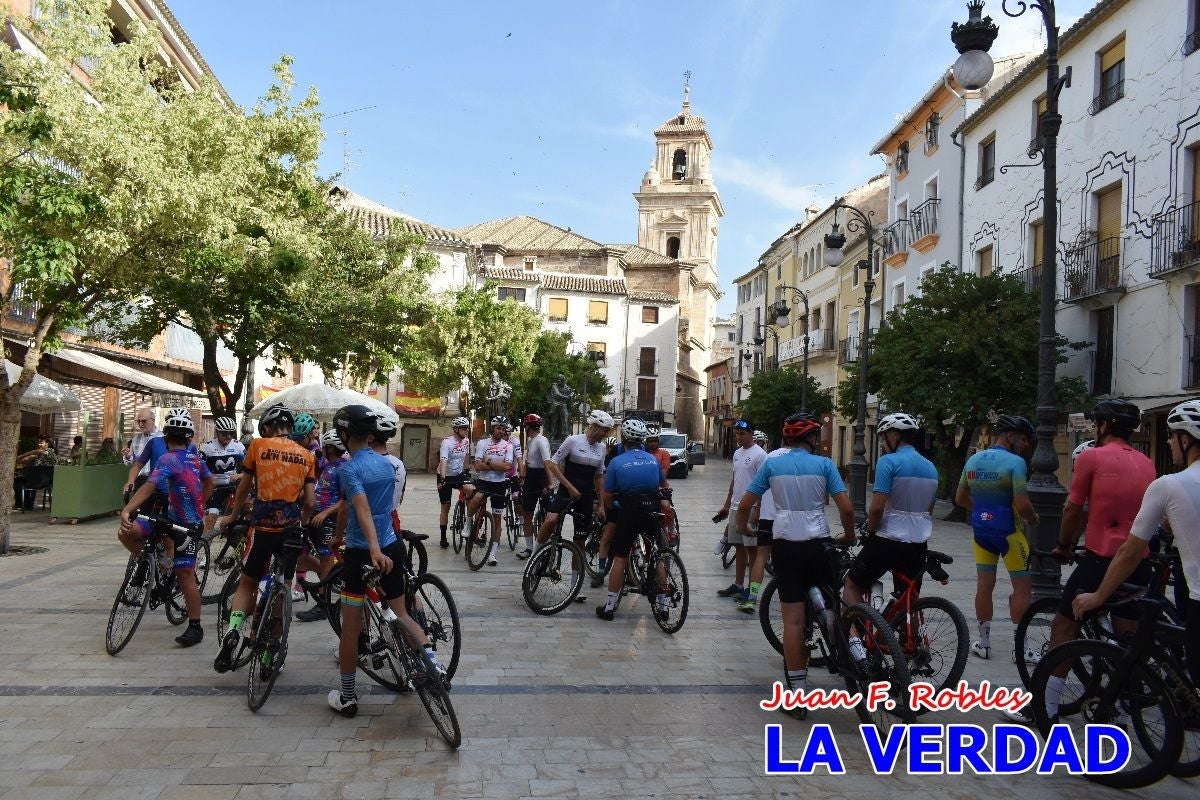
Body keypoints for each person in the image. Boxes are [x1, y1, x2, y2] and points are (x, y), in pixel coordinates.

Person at [996, 401, 1152, 722]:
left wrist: (1064, 545)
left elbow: (1073, 509)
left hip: (1101, 560)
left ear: (1104, 426)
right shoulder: (1147, 463)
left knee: (1064, 628)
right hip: (1137, 562)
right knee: (1126, 639)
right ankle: (1122, 706)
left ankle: (1044, 707)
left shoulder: (1092, 457)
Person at [1074, 398, 1200, 692]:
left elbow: (1130, 552)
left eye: (1170, 436)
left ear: (1185, 438)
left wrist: (1098, 596)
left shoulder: (1168, 485)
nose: (1168, 442)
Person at [327, 404, 445, 718]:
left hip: (362, 553)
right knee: (401, 612)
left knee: (350, 630)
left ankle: (348, 697)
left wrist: (370, 549)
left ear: (344, 434)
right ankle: (435, 666)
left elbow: (361, 509)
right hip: (392, 544)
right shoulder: (386, 465)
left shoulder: (348, 469)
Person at [735, 412, 855, 715]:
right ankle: (849, 650)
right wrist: (849, 536)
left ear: (787, 438)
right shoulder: (825, 465)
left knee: (792, 621)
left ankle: (798, 697)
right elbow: (847, 509)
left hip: (785, 544)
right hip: (819, 543)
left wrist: (746, 527)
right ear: (813, 439)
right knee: (831, 606)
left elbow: (746, 505)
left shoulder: (773, 464)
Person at [213, 404, 317, 673]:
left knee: (248, 583)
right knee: (283, 588)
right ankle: (269, 658)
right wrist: (302, 523)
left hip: (262, 529)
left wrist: (233, 516)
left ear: (269, 428)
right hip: (291, 531)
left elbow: (244, 485)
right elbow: (310, 501)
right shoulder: (307, 455)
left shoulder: (258, 447)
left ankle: (233, 631)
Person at [117, 410, 213, 647]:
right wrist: (202, 504)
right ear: (189, 438)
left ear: (167, 438)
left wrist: (127, 510)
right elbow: (209, 481)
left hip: (186, 527)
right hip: (178, 520)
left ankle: (195, 625)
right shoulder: (195, 458)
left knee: (184, 574)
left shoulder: (168, 459)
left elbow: (149, 487)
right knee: (183, 573)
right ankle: (153, 563)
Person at [955, 414, 1039, 660]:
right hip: (1010, 533)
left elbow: (959, 499)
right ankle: (1020, 650)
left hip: (981, 533)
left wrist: (983, 512)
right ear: (1010, 436)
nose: (1025, 445)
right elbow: (1022, 505)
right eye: (1023, 439)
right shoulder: (1015, 463)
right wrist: (1034, 520)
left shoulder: (973, 460)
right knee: (1023, 589)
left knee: (984, 586)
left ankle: (984, 644)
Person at [842, 413, 939, 611]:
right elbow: (929, 509)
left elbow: (877, 508)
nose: (883, 442)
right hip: (918, 543)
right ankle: (909, 639)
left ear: (894, 436)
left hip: (888, 539)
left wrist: (869, 529)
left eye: (883, 436)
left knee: (852, 585)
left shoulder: (888, 462)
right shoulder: (930, 467)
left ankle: (854, 639)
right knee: (909, 598)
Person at [596, 418, 669, 620]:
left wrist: (612, 508)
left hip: (628, 512)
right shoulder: (653, 460)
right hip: (651, 510)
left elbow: (608, 495)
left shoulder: (617, 462)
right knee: (655, 555)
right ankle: (663, 606)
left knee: (620, 557)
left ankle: (609, 607)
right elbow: (663, 484)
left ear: (624, 438)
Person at [537, 409, 614, 602]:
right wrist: (569, 486)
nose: (606, 435)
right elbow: (553, 464)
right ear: (594, 426)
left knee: (579, 542)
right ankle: (536, 556)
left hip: (586, 496)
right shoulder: (573, 440)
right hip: (566, 490)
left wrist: (602, 505)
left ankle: (574, 587)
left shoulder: (602, 448)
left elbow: (598, 477)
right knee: (551, 520)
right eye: (605, 430)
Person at [296, 430, 349, 623]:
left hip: (329, 519)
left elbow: (346, 501)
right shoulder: (327, 464)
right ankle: (329, 578)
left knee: (327, 559)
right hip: (314, 517)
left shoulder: (344, 469)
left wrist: (325, 513)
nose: (322, 449)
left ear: (331, 448)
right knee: (301, 555)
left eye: (324, 447)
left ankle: (323, 604)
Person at [716, 419, 766, 603]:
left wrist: (758, 510)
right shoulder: (737, 453)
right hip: (736, 507)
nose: (738, 436)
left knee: (752, 550)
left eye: (742, 433)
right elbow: (735, 480)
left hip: (751, 508)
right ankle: (738, 584)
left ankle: (751, 592)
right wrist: (727, 504)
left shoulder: (760, 455)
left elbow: (764, 485)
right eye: (737, 433)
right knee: (738, 547)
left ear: (751, 434)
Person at [737, 430, 783, 613]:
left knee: (761, 557)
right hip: (792, 521)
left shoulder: (770, 458)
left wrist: (748, 520)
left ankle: (753, 596)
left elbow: (753, 493)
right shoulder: (812, 460)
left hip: (767, 517)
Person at [467, 416, 516, 567]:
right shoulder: (482, 443)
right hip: (484, 481)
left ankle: (492, 554)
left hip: (499, 484)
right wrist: (497, 465)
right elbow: (477, 466)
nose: (501, 431)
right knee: (476, 499)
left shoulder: (508, 446)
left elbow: (507, 468)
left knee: (497, 519)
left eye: (503, 429)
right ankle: (468, 525)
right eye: (498, 428)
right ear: (492, 429)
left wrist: (487, 461)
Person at [199, 416, 245, 533]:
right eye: (224, 433)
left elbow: (250, 469)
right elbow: (198, 471)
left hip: (233, 486)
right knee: (211, 518)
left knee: (245, 513)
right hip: (215, 488)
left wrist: (240, 475)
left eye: (231, 433)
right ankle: (205, 547)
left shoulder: (238, 446)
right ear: (217, 432)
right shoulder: (207, 448)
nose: (228, 436)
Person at [436, 417, 474, 549]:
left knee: (472, 490)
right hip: (445, 475)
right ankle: (443, 537)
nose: (466, 430)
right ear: (456, 429)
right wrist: (442, 478)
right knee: (445, 507)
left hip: (459, 475)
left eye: (467, 428)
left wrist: (466, 470)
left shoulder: (467, 441)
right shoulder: (447, 442)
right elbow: (443, 460)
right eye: (464, 428)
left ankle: (467, 521)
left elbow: (466, 457)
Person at [519, 413, 551, 559]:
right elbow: (528, 461)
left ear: (528, 427)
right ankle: (529, 548)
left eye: (525, 426)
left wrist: (549, 483)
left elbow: (547, 462)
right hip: (531, 478)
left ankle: (546, 545)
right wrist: (523, 476)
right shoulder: (531, 441)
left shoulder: (541, 441)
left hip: (541, 477)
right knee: (527, 513)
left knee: (547, 514)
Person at [122, 408, 161, 496]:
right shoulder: (135, 439)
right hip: (140, 480)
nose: (140, 424)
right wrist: (128, 456)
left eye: (143, 421)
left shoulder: (163, 437)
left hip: (157, 481)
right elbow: (132, 463)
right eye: (138, 421)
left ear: (153, 420)